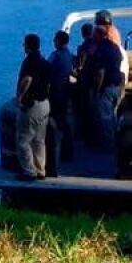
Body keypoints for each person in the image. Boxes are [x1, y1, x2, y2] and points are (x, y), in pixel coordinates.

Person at [14, 33, 51, 181]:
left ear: (28, 46)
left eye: (24, 44)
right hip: (45, 104)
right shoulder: (44, 61)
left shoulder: (29, 61)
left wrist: (20, 97)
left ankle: (29, 171)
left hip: (32, 105)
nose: (23, 46)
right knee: (39, 140)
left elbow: (27, 79)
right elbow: (49, 84)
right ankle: (40, 169)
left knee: (23, 140)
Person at [89, 25, 125, 150]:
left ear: (99, 35)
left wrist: (97, 90)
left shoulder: (101, 50)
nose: (92, 37)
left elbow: (101, 73)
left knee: (105, 118)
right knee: (112, 116)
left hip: (106, 88)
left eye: (94, 34)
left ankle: (109, 147)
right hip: (116, 86)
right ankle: (115, 142)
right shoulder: (115, 48)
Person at [47, 30, 75, 169]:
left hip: (55, 93)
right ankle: (68, 150)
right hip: (65, 92)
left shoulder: (56, 56)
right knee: (64, 121)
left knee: (56, 123)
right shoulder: (69, 56)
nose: (53, 42)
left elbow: (47, 70)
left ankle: (56, 152)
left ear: (58, 41)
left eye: (55, 40)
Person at [72, 23, 96, 140]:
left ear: (82, 34)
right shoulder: (97, 45)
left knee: (85, 109)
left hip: (86, 83)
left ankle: (84, 135)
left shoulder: (83, 48)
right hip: (96, 82)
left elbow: (80, 67)